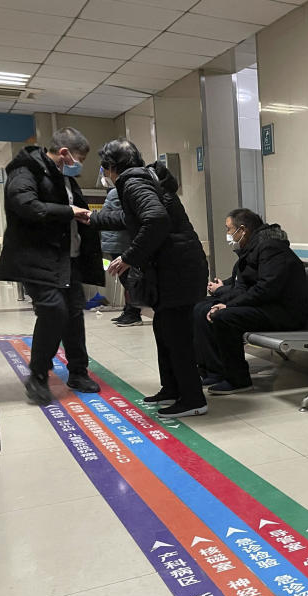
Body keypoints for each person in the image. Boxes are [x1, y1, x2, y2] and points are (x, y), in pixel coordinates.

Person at [88, 139, 209, 419]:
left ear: (111, 166)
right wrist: (92, 219)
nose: (105, 174)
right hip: (177, 266)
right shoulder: (141, 179)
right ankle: (172, 388)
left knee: (176, 335)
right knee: (164, 329)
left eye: (105, 168)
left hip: (178, 269)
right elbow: (132, 217)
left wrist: (129, 256)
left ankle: (192, 398)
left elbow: (155, 220)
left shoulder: (132, 181)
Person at [0, 127, 104, 405]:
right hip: (37, 259)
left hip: (67, 259)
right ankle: (38, 377)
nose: (79, 165)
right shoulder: (25, 171)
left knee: (74, 313)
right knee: (54, 311)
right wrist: (69, 211)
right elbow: (26, 205)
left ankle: (78, 371)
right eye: (78, 158)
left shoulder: (65, 179)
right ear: (65, 153)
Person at [193, 208, 308, 395]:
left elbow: (266, 288)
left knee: (224, 316)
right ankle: (214, 370)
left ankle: (237, 379)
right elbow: (245, 282)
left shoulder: (271, 248)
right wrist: (224, 294)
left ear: (243, 229)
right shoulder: (254, 248)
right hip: (268, 307)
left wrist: (229, 304)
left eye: (229, 229)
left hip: (284, 313)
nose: (228, 234)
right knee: (201, 307)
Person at [98, 170, 142, 327]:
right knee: (127, 279)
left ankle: (133, 312)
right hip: (117, 241)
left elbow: (107, 215)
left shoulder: (118, 191)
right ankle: (129, 310)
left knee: (128, 280)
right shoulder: (119, 191)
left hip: (119, 242)